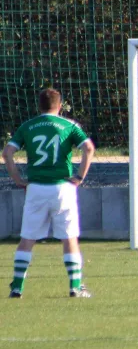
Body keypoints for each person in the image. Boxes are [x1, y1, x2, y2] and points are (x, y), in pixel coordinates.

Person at [3, 88, 95, 298]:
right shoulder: (69, 126)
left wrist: (17, 179)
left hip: (35, 188)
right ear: (59, 105)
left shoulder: (28, 126)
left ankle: (17, 287)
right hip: (63, 187)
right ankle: (75, 287)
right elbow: (88, 148)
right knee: (69, 237)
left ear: (39, 106)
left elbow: (7, 152)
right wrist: (79, 177)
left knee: (27, 238)